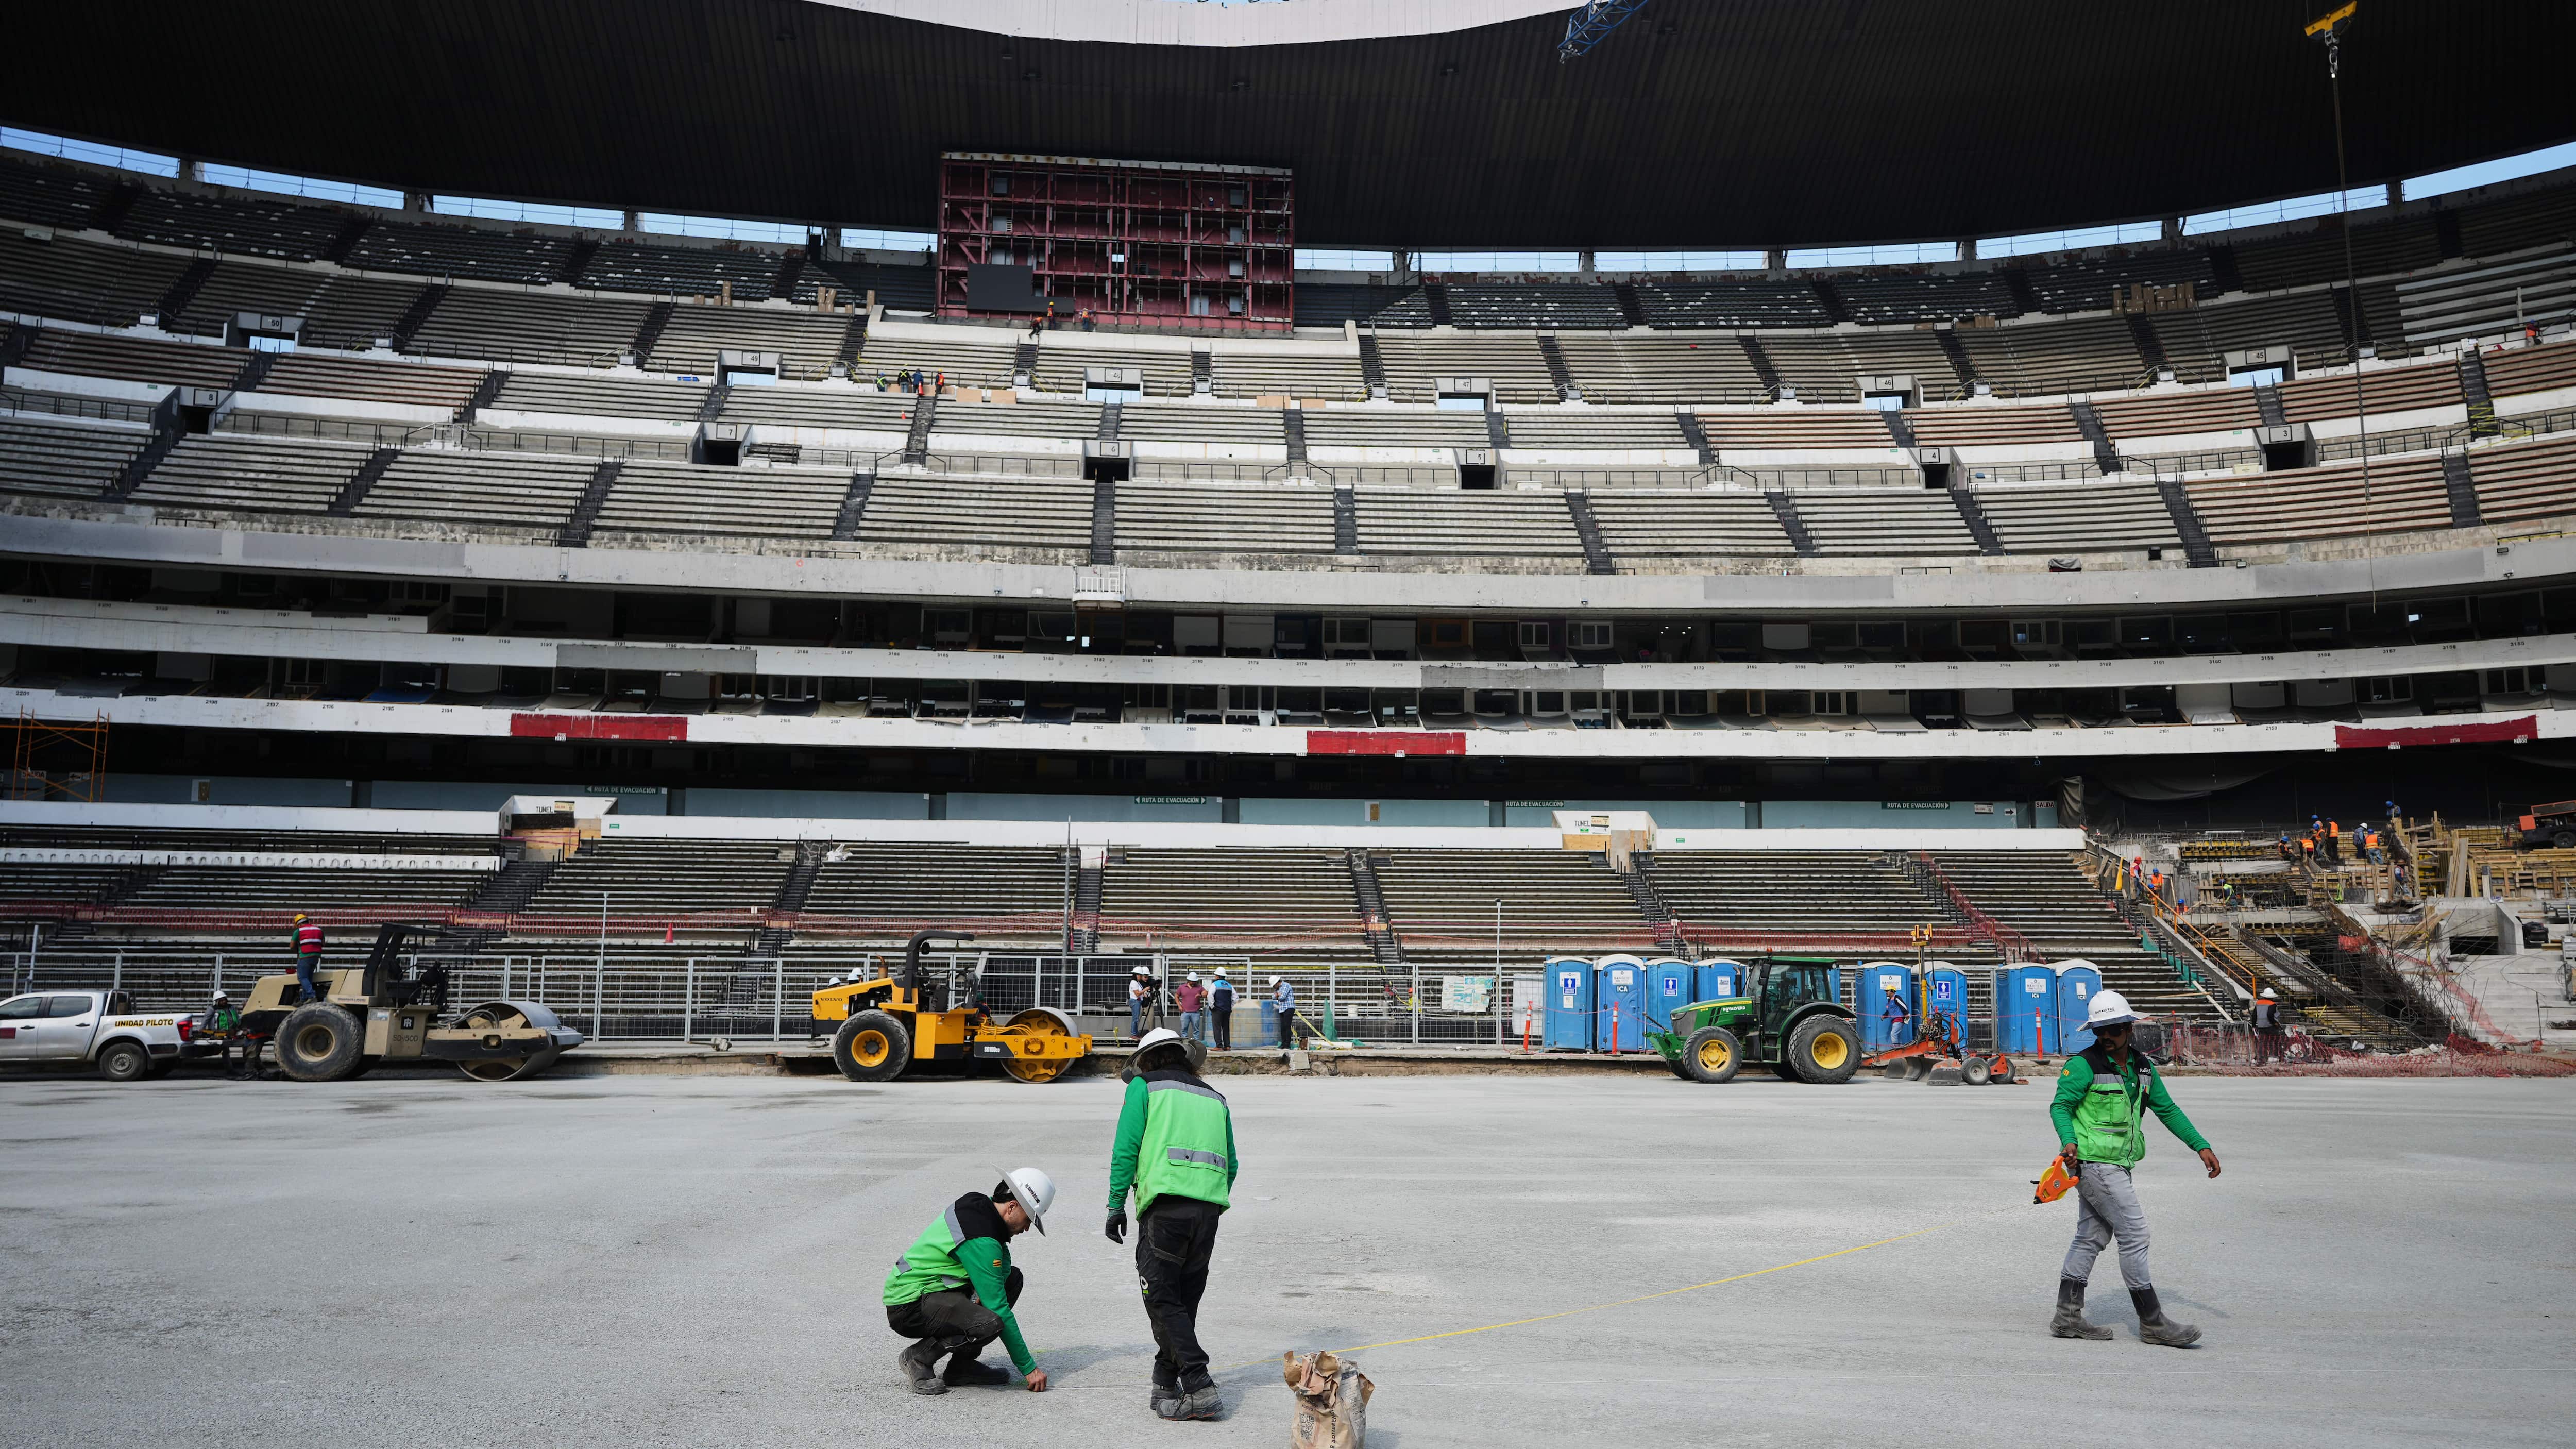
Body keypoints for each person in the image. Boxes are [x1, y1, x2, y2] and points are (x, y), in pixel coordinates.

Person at [2047, 989, 2221, 1347]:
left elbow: (2167, 1109)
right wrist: (2069, 1141)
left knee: (2092, 1236)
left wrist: (2200, 1145)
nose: (2106, 1036)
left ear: (2129, 1028)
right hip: (2095, 1164)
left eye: (2113, 1029)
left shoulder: (2143, 1068)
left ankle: (2067, 1317)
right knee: (2135, 1235)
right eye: (2100, 1030)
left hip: (2118, 1164)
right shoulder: (2083, 1065)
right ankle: (2152, 1322)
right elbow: (2061, 1106)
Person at [1106, 1028, 1239, 1421]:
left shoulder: (1144, 1087)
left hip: (1166, 1207)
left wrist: (1115, 1205)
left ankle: (1199, 1385)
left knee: (1162, 1298)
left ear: (1145, 1060)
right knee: (1183, 1299)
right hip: (1208, 1211)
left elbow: (1126, 1149)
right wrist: (1207, 1200)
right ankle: (1165, 1378)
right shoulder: (1215, 1097)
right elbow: (1232, 1164)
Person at [885, 1168, 1056, 1395]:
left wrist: (980, 1294)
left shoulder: (979, 1205)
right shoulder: (983, 1239)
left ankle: (961, 1367)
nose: (1026, 1228)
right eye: (1028, 1220)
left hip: (934, 1291)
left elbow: (1000, 1266)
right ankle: (918, 1358)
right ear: (1012, 1207)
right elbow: (998, 1307)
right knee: (990, 1320)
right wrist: (1029, 1368)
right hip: (909, 1304)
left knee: (1012, 1280)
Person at [291, 914, 326, 1004]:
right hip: (316, 957)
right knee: (308, 978)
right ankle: (304, 999)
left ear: (299, 924)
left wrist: (298, 951)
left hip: (304, 957)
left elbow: (292, 946)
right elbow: (323, 944)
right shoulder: (319, 930)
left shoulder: (299, 931)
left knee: (302, 977)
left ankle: (311, 996)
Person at [2250, 988, 2285, 1066]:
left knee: (2262, 1043)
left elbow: (2254, 1015)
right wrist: (2275, 1024)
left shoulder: (2258, 1003)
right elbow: (2270, 1015)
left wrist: (2254, 1025)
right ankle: (2281, 1058)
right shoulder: (2272, 1004)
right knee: (2277, 1041)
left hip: (2261, 1026)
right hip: (2270, 1026)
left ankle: (2261, 1060)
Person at [1176, 972, 1206, 1043]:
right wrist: (1179, 1006)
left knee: (1196, 1030)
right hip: (1185, 1012)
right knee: (1184, 1029)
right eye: (1192, 981)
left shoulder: (1199, 987)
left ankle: (1196, 1043)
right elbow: (1176, 996)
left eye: (1195, 981)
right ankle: (1185, 1043)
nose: (1193, 983)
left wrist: (1201, 995)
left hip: (1196, 1012)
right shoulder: (1182, 987)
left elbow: (1205, 994)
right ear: (1188, 980)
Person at [1208, 969, 1234, 1050]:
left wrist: (1212, 1006)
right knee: (1226, 1028)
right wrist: (1230, 1006)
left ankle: (1219, 1046)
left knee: (1217, 1028)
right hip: (1227, 1010)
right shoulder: (1229, 986)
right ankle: (1227, 1046)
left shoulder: (1215, 984)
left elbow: (1210, 995)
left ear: (1217, 976)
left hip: (1217, 1010)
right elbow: (1236, 998)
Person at [1128, 968, 1154, 1041]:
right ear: (1137, 975)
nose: (1141, 977)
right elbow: (1137, 994)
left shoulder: (1137, 982)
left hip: (1138, 1001)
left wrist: (1144, 995)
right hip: (1135, 1002)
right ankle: (1133, 1034)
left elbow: (1140, 993)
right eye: (1140, 975)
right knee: (1135, 1019)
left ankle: (1135, 1034)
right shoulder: (1134, 982)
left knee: (1136, 1019)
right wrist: (1145, 990)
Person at [1270, 974, 1295, 1048]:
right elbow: (1273, 997)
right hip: (1282, 1009)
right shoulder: (1278, 989)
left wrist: (1277, 996)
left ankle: (1287, 1044)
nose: (1273, 987)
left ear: (1277, 983)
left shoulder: (1286, 985)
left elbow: (1282, 997)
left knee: (1287, 1026)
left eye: (1273, 986)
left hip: (1289, 1008)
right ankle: (1283, 1044)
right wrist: (1277, 996)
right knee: (1283, 1027)